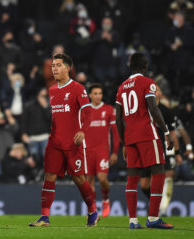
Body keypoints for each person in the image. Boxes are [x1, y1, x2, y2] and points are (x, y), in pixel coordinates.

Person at [29, 53, 99, 227]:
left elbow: (88, 111)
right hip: (55, 142)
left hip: (72, 142)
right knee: (49, 176)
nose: (54, 68)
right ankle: (44, 217)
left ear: (68, 68)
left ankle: (92, 210)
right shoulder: (52, 90)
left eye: (58, 65)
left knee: (78, 178)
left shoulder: (77, 88)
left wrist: (83, 130)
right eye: (53, 65)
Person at [115, 53, 173, 229]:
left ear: (130, 66)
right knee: (159, 170)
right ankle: (153, 218)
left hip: (130, 137)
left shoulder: (121, 88)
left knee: (132, 178)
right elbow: (153, 108)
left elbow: (118, 120)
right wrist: (166, 131)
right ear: (145, 66)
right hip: (147, 134)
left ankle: (133, 221)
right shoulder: (148, 83)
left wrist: (124, 143)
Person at [139, 85, 182, 216]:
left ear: (160, 93)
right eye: (152, 90)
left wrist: (177, 152)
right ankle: (156, 202)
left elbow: (173, 134)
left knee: (168, 175)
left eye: (156, 90)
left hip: (165, 148)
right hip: (147, 149)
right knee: (144, 185)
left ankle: (162, 209)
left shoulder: (167, 112)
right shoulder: (144, 111)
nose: (154, 92)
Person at [85, 83, 120, 218]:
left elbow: (115, 133)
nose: (98, 96)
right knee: (89, 182)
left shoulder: (109, 110)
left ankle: (105, 199)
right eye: (95, 93)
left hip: (102, 150)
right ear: (90, 95)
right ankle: (93, 211)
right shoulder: (85, 111)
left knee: (102, 178)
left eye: (100, 93)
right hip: (88, 151)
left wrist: (115, 152)